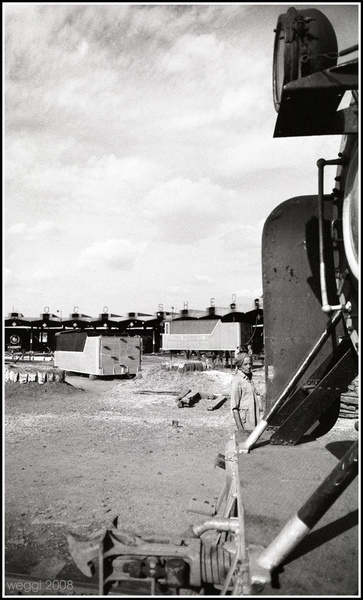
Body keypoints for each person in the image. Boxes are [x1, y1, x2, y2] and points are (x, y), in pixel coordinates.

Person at [230, 352, 260, 432]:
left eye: (250, 364)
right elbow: (234, 408)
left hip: (253, 418)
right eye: (245, 364)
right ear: (239, 365)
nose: (249, 366)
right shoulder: (237, 381)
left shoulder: (247, 379)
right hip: (246, 423)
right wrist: (241, 431)